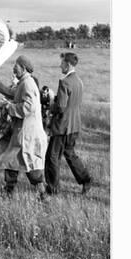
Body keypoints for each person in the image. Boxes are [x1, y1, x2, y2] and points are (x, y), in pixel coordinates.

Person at [0, 55, 47, 197]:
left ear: (23, 68)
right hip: (22, 132)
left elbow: (29, 107)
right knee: (11, 159)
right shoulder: (23, 82)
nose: (13, 69)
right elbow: (11, 93)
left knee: (30, 165)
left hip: (27, 134)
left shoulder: (28, 84)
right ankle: (7, 191)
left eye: (15, 66)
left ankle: (43, 195)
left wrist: (10, 107)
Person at [45, 52, 92, 194]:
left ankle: (52, 189)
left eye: (62, 63)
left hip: (62, 126)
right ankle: (86, 180)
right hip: (75, 125)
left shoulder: (65, 82)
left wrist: (52, 100)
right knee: (70, 153)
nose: (60, 65)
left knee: (52, 157)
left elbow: (60, 107)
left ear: (68, 64)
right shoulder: (79, 81)